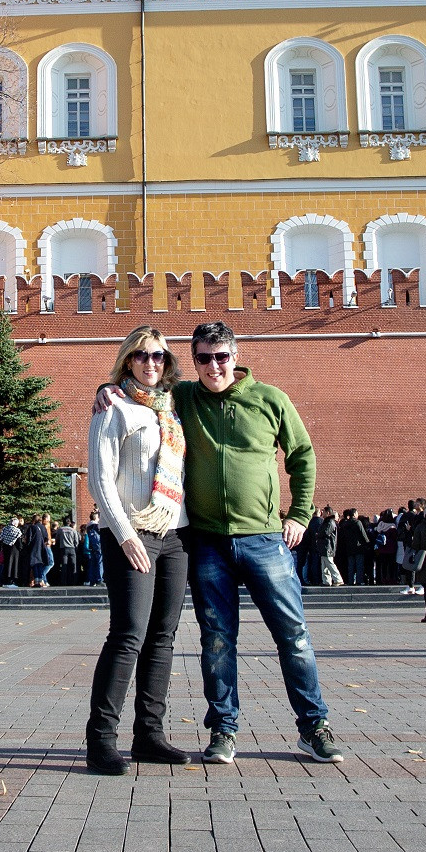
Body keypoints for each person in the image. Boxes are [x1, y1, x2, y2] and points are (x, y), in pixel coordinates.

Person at [100, 321, 341, 765]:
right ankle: (223, 731)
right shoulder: (184, 399)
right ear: (192, 362)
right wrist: (106, 386)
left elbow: (302, 456)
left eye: (222, 356)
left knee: (293, 636)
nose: (214, 366)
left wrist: (300, 515)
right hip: (207, 542)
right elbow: (140, 389)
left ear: (236, 355)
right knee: (216, 639)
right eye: (204, 358)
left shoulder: (271, 400)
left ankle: (314, 727)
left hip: (265, 538)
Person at [85, 326, 194, 774]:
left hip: (176, 536)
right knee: (128, 634)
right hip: (132, 535)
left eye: (159, 357)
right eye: (143, 356)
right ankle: (100, 740)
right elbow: (100, 478)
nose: (152, 364)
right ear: (128, 360)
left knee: (162, 639)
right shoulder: (114, 408)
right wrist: (126, 535)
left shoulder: (174, 408)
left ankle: (149, 735)